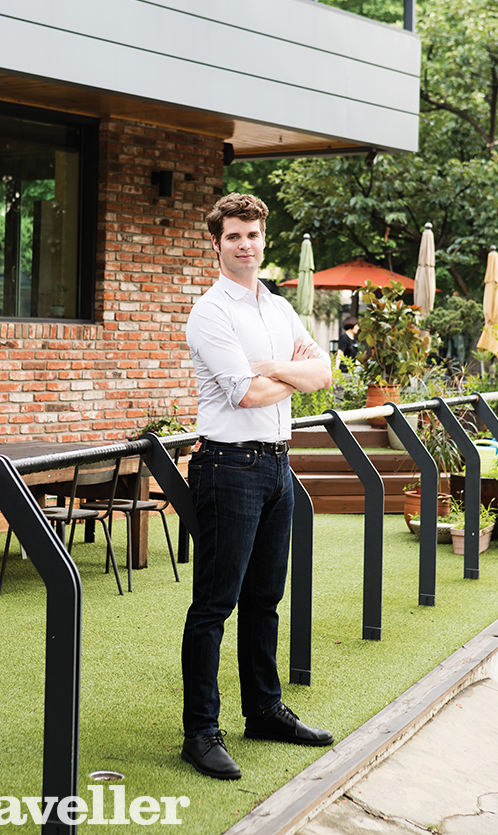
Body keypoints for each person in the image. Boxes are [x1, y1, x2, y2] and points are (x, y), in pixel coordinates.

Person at [181, 192, 334, 781]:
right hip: (228, 467)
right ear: (216, 244)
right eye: (234, 236)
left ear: (263, 239)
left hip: (277, 467)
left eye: (253, 235)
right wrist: (285, 374)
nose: (245, 245)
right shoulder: (210, 312)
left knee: (265, 599)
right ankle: (200, 732)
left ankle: (264, 711)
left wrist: (269, 371)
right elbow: (244, 395)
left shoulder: (277, 308)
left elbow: (324, 372)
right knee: (215, 605)